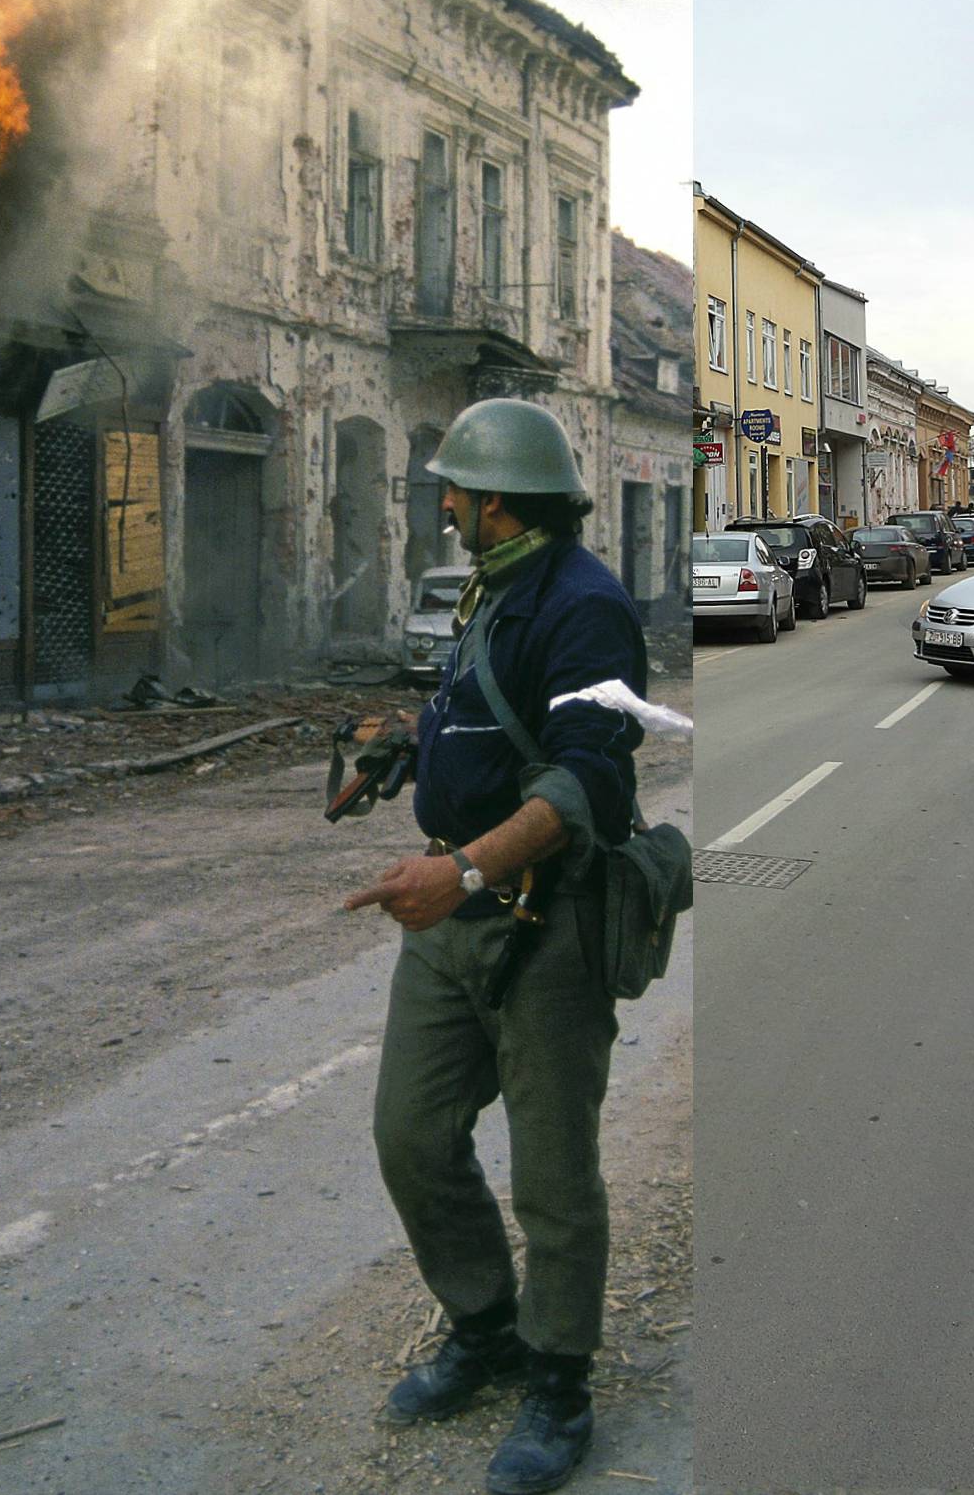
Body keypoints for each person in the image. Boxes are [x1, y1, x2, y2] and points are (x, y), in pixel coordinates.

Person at [343, 397, 647, 1495]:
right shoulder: (492, 589)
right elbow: (472, 712)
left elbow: (585, 777)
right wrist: (402, 749)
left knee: (555, 1174)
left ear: (497, 497)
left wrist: (466, 867)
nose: (446, 506)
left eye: (454, 490)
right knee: (410, 1133)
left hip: (543, 918)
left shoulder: (586, 607)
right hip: (453, 917)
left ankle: (559, 1387)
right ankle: (485, 1328)